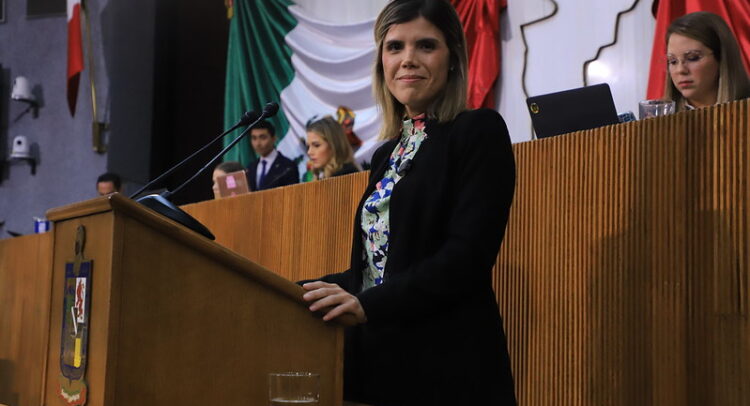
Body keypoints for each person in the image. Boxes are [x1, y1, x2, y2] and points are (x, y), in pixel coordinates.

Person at [300, 0, 517, 404]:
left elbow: (466, 259)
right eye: (395, 46)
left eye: (426, 46)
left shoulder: (478, 131)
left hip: (447, 367)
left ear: (453, 57)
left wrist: (368, 304)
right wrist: (294, 290)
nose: (408, 59)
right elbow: (379, 268)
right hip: (378, 365)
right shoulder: (388, 153)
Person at [664, 11, 750, 111]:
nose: (680, 70)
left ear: (721, 58)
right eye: (673, 61)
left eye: (693, 58)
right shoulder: (657, 116)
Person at [247, 119, 299, 191]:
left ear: (274, 138)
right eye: (254, 138)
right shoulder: (251, 167)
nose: (258, 143)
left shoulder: (288, 166)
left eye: (263, 138)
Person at [306, 115, 359, 180]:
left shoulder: (347, 175)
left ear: (333, 145)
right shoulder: (322, 175)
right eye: (308, 146)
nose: (309, 152)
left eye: (316, 145)